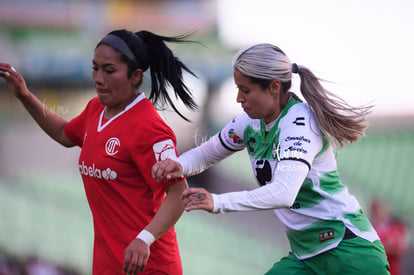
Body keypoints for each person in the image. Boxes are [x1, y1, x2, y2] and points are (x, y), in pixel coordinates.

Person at [152, 43, 391, 274]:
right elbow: (207, 153)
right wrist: (179, 164)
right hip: (306, 257)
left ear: (274, 87)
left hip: (349, 252)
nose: (238, 98)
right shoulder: (249, 123)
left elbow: (284, 193)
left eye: (245, 90)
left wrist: (217, 202)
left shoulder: (299, 124)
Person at [0, 29, 199, 275]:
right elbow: (64, 133)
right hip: (108, 264)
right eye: (95, 68)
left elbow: (179, 194)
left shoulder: (150, 128)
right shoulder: (96, 109)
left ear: (135, 76)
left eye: (109, 70)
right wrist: (25, 96)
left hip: (149, 267)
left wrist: (144, 239)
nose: (98, 78)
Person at [370, 198, 410, 275]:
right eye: (374, 209)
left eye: (379, 209)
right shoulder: (369, 227)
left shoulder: (397, 228)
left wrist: (379, 247)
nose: (377, 212)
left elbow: (399, 251)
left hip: (391, 271)